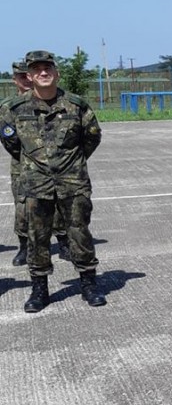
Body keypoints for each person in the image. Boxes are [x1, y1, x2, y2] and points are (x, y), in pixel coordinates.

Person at [0, 50, 106, 312]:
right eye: (37, 69)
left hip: (73, 183)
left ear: (56, 73)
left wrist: (70, 163)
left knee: (79, 233)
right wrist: (37, 165)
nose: (43, 73)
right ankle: (40, 289)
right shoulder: (13, 109)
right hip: (36, 185)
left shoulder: (77, 105)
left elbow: (91, 138)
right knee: (38, 237)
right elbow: (12, 144)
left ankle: (89, 284)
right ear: (29, 76)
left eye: (48, 68)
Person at [3, 62, 71, 266]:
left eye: (27, 75)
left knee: (59, 204)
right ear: (15, 79)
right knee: (23, 207)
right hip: (23, 166)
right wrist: (28, 158)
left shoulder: (56, 100)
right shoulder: (10, 106)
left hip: (56, 166)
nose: (25, 79)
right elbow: (9, 140)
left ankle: (63, 242)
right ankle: (24, 247)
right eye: (21, 76)